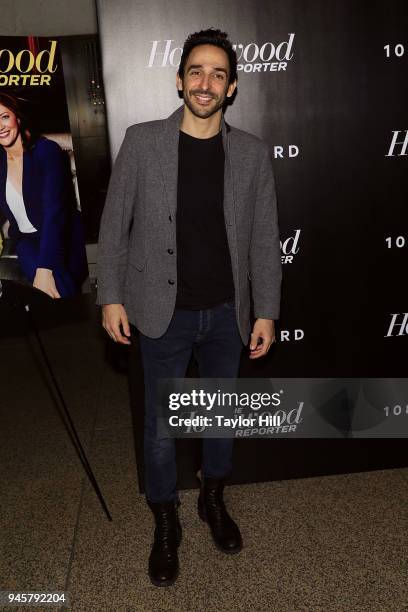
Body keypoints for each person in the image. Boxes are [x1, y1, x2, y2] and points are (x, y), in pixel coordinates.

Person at [97, 28, 282, 587]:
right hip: (161, 313)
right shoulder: (142, 141)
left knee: (219, 418)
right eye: (196, 72)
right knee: (159, 428)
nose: (206, 83)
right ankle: (164, 519)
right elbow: (113, 227)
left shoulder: (250, 153)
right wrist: (110, 296)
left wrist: (266, 310)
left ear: (230, 89)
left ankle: (213, 499)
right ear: (179, 81)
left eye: (218, 74)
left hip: (227, 314)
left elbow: (263, 238)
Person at [0, 92, 88, 298]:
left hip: (63, 237)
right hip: (26, 240)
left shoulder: (46, 151)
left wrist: (46, 268)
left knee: (53, 281)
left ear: (17, 118)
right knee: (32, 260)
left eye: (4, 117)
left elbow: (54, 212)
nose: (1, 126)